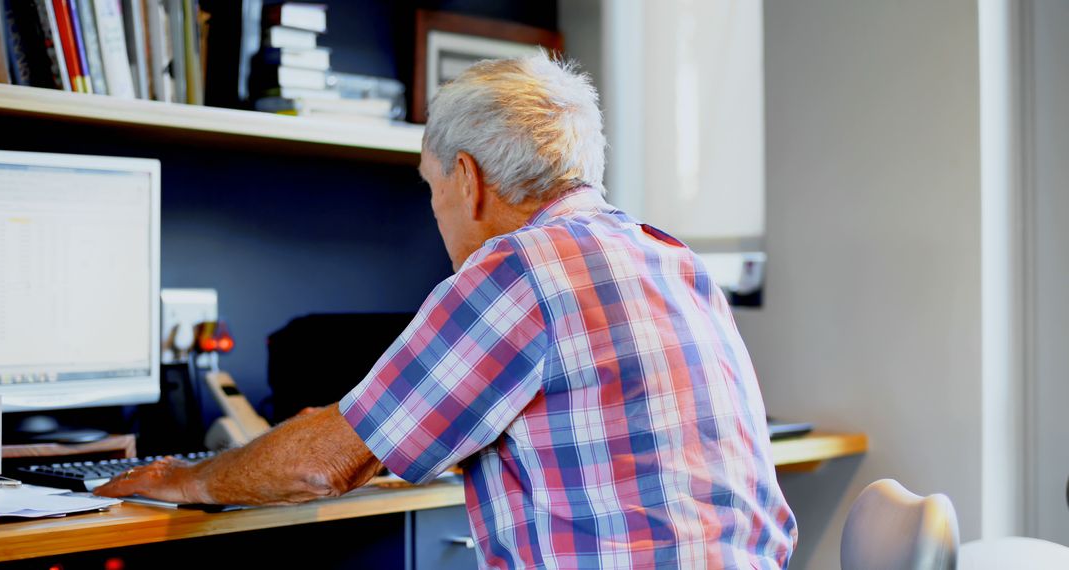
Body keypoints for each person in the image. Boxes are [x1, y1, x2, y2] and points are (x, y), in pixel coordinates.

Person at [96, 53, 797, 569]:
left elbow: (323, 467)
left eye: (432, 189)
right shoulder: (671, 258)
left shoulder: (518, 269)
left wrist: (182, 478)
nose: (437, 213)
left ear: (467, 180)